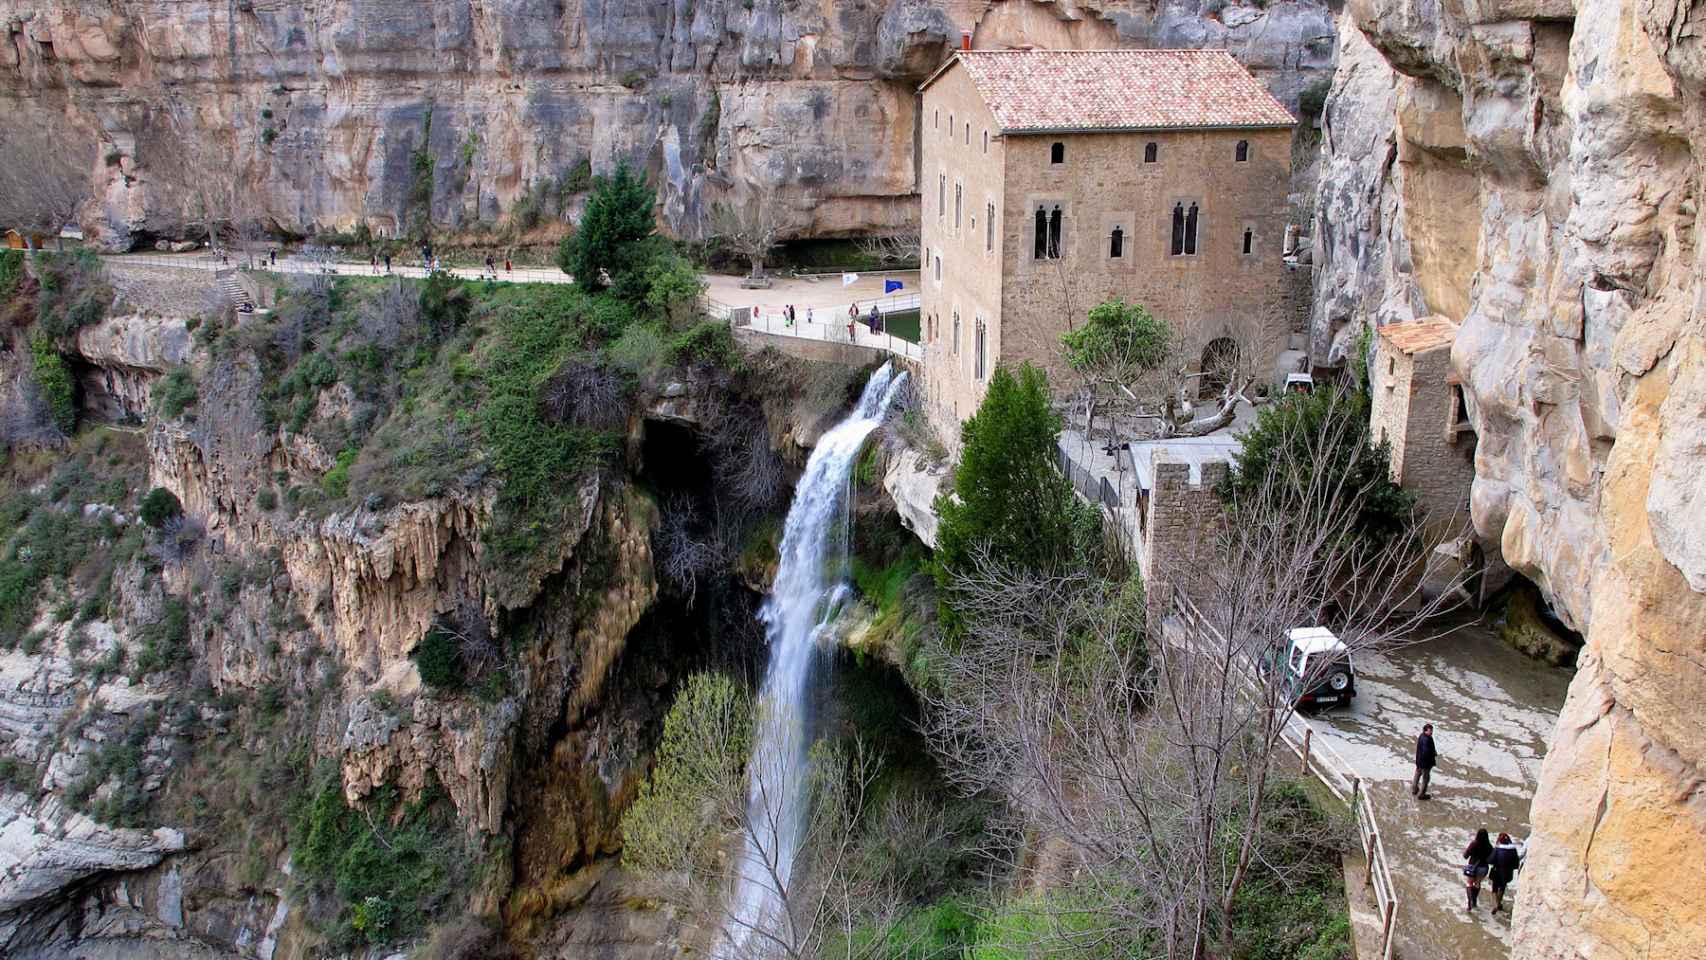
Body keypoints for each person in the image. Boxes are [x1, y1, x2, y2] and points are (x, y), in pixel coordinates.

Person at [1488, 832, 1522, 914]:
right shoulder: (1513, 850)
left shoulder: (1497, 849)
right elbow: (1516, 864)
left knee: (1494, 889)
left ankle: (1495, 904)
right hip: (1508, 873)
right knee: (1502, 888)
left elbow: (1490, 860)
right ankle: (1499, 903)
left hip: (1497, 872)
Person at [1463, 828, 1494, 912]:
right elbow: (1491, 859)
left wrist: (1466, 852)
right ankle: (1474, 901)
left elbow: (1465, 856)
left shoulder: (1474, 844)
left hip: (1472, 867)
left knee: (1469, 883)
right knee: (1477, 883)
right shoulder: (1489, 846)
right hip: (1483, 868)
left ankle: (1469, 902)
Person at [1412, 723, 1437, 799]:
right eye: (1430, 731)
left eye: (1432, 730)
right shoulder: (1427, 739)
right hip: (1425, 764)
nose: (1431, 732)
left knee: (1417, 775)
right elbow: (1426, 752)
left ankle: (1414, 789)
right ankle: (1421, 795)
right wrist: (1433, 753)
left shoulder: (1421, 736)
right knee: (1426, 779)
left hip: (1419, 761)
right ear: (1425, 731)